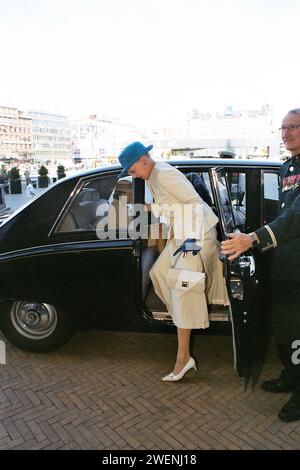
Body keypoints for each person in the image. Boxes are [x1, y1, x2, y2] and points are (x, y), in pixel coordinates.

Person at [118, 141, 227, 382]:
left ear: (143, 160)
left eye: (132, 169)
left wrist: (154, 210)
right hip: (183, 236)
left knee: (182, 290)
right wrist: (150, 208)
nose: (132, 175)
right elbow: (173, 207)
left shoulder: (163, 174)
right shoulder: (154, 175)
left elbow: (194, 205)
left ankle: (183, 357)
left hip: (195, 237)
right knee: (158, 273)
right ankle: (183, 313)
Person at [221, 108, 300, 422]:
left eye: (293, 127)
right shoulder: (288, 167)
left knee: (297, 330)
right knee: (284, 326)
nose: (286, 133)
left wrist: (253, 238)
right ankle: (290, 376)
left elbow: (296, 217)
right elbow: (284, 213)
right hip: (285, 263)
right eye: (282, 128)